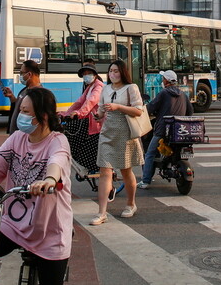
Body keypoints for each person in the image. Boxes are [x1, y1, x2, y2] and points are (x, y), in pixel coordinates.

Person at [0, 87, 72, 285]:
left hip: (49, 229)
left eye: (26, 112)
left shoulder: (57, 142)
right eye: (20, 110)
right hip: (13, 224)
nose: (21, 116)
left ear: (42, 116)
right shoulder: (17, 138)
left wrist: (49, 181)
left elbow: (57, 162)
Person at [89, 59, 144, 225]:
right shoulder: (105, 89)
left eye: (116, 71)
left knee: (126, 171)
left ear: (123, 72)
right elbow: (100, 110)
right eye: (110, 71)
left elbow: (138, 111)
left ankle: (130, 204)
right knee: (105, 171)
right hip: (107, 133)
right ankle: (102, 212)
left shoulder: (131, 88)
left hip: (125, 133)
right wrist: (97, 115)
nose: (113, 74)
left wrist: (118, 107)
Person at [138, 70, 193, 189]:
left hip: (163, 131)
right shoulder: (183, 94)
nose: (162, 81)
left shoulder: (164, 93)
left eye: (163, 79)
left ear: (166, 81)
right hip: (180, 131)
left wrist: (141, 110)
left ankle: (146, 181)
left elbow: (151, 108)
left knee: (149, 154)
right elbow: (190, 111)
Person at [59, 62, 104, 175]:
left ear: (94, 74)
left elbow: (90, 102)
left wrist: (78, 114)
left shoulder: (99, 86)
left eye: (89, 73)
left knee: (74, 136)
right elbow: (79, 102)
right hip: (88, 120)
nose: (86, 76)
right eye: (84, 74)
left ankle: (90, 168)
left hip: (96, 123)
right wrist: (66, 113)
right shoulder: (89, 87)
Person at [5, 59, 42, 134]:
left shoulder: (39, 94)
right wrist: (12, 97)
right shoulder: (24, 90)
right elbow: (18, 106)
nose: (20, 76)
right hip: (15, 136)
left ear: (29, 74)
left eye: (22, 73)